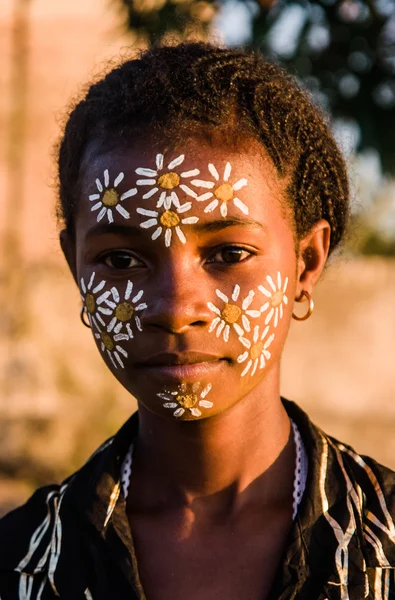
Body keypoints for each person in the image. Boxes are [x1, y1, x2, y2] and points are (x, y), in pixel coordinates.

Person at [0, 41, 394, 600]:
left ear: (306, 262)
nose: (176, 308)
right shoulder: (22, 562)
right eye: (120, 260)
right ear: (75, 267)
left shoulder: (384, 545)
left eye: (229, 254)